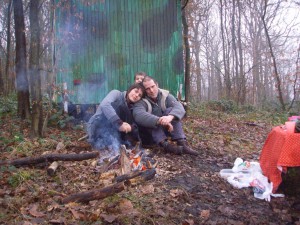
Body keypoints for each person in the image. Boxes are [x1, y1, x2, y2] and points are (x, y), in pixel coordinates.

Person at [133, 75, 198, 156]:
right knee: (149, 119)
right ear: (145, 90)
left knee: (170, 110)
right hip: (148, 135)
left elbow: (179, 107)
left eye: (153, 87)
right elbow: (138, 115)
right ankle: (167, 146)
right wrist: (159, 120)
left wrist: (169, 117)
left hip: (166, 129)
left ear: (157, 85)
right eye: (148, 89)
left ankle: (182, 143)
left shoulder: (165, 95)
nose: (151, 90)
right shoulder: (141, 101)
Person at [87, 83, 145, 151]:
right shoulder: (116, 94)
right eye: (136, 91)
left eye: (139, 95)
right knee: (117, 105)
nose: (136, 95)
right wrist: (119, 123)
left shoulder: (133, 107)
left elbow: (134, 124)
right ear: (130, 89)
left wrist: (130, 127)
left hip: (114, 134)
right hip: (98, 126)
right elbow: (105, 105)